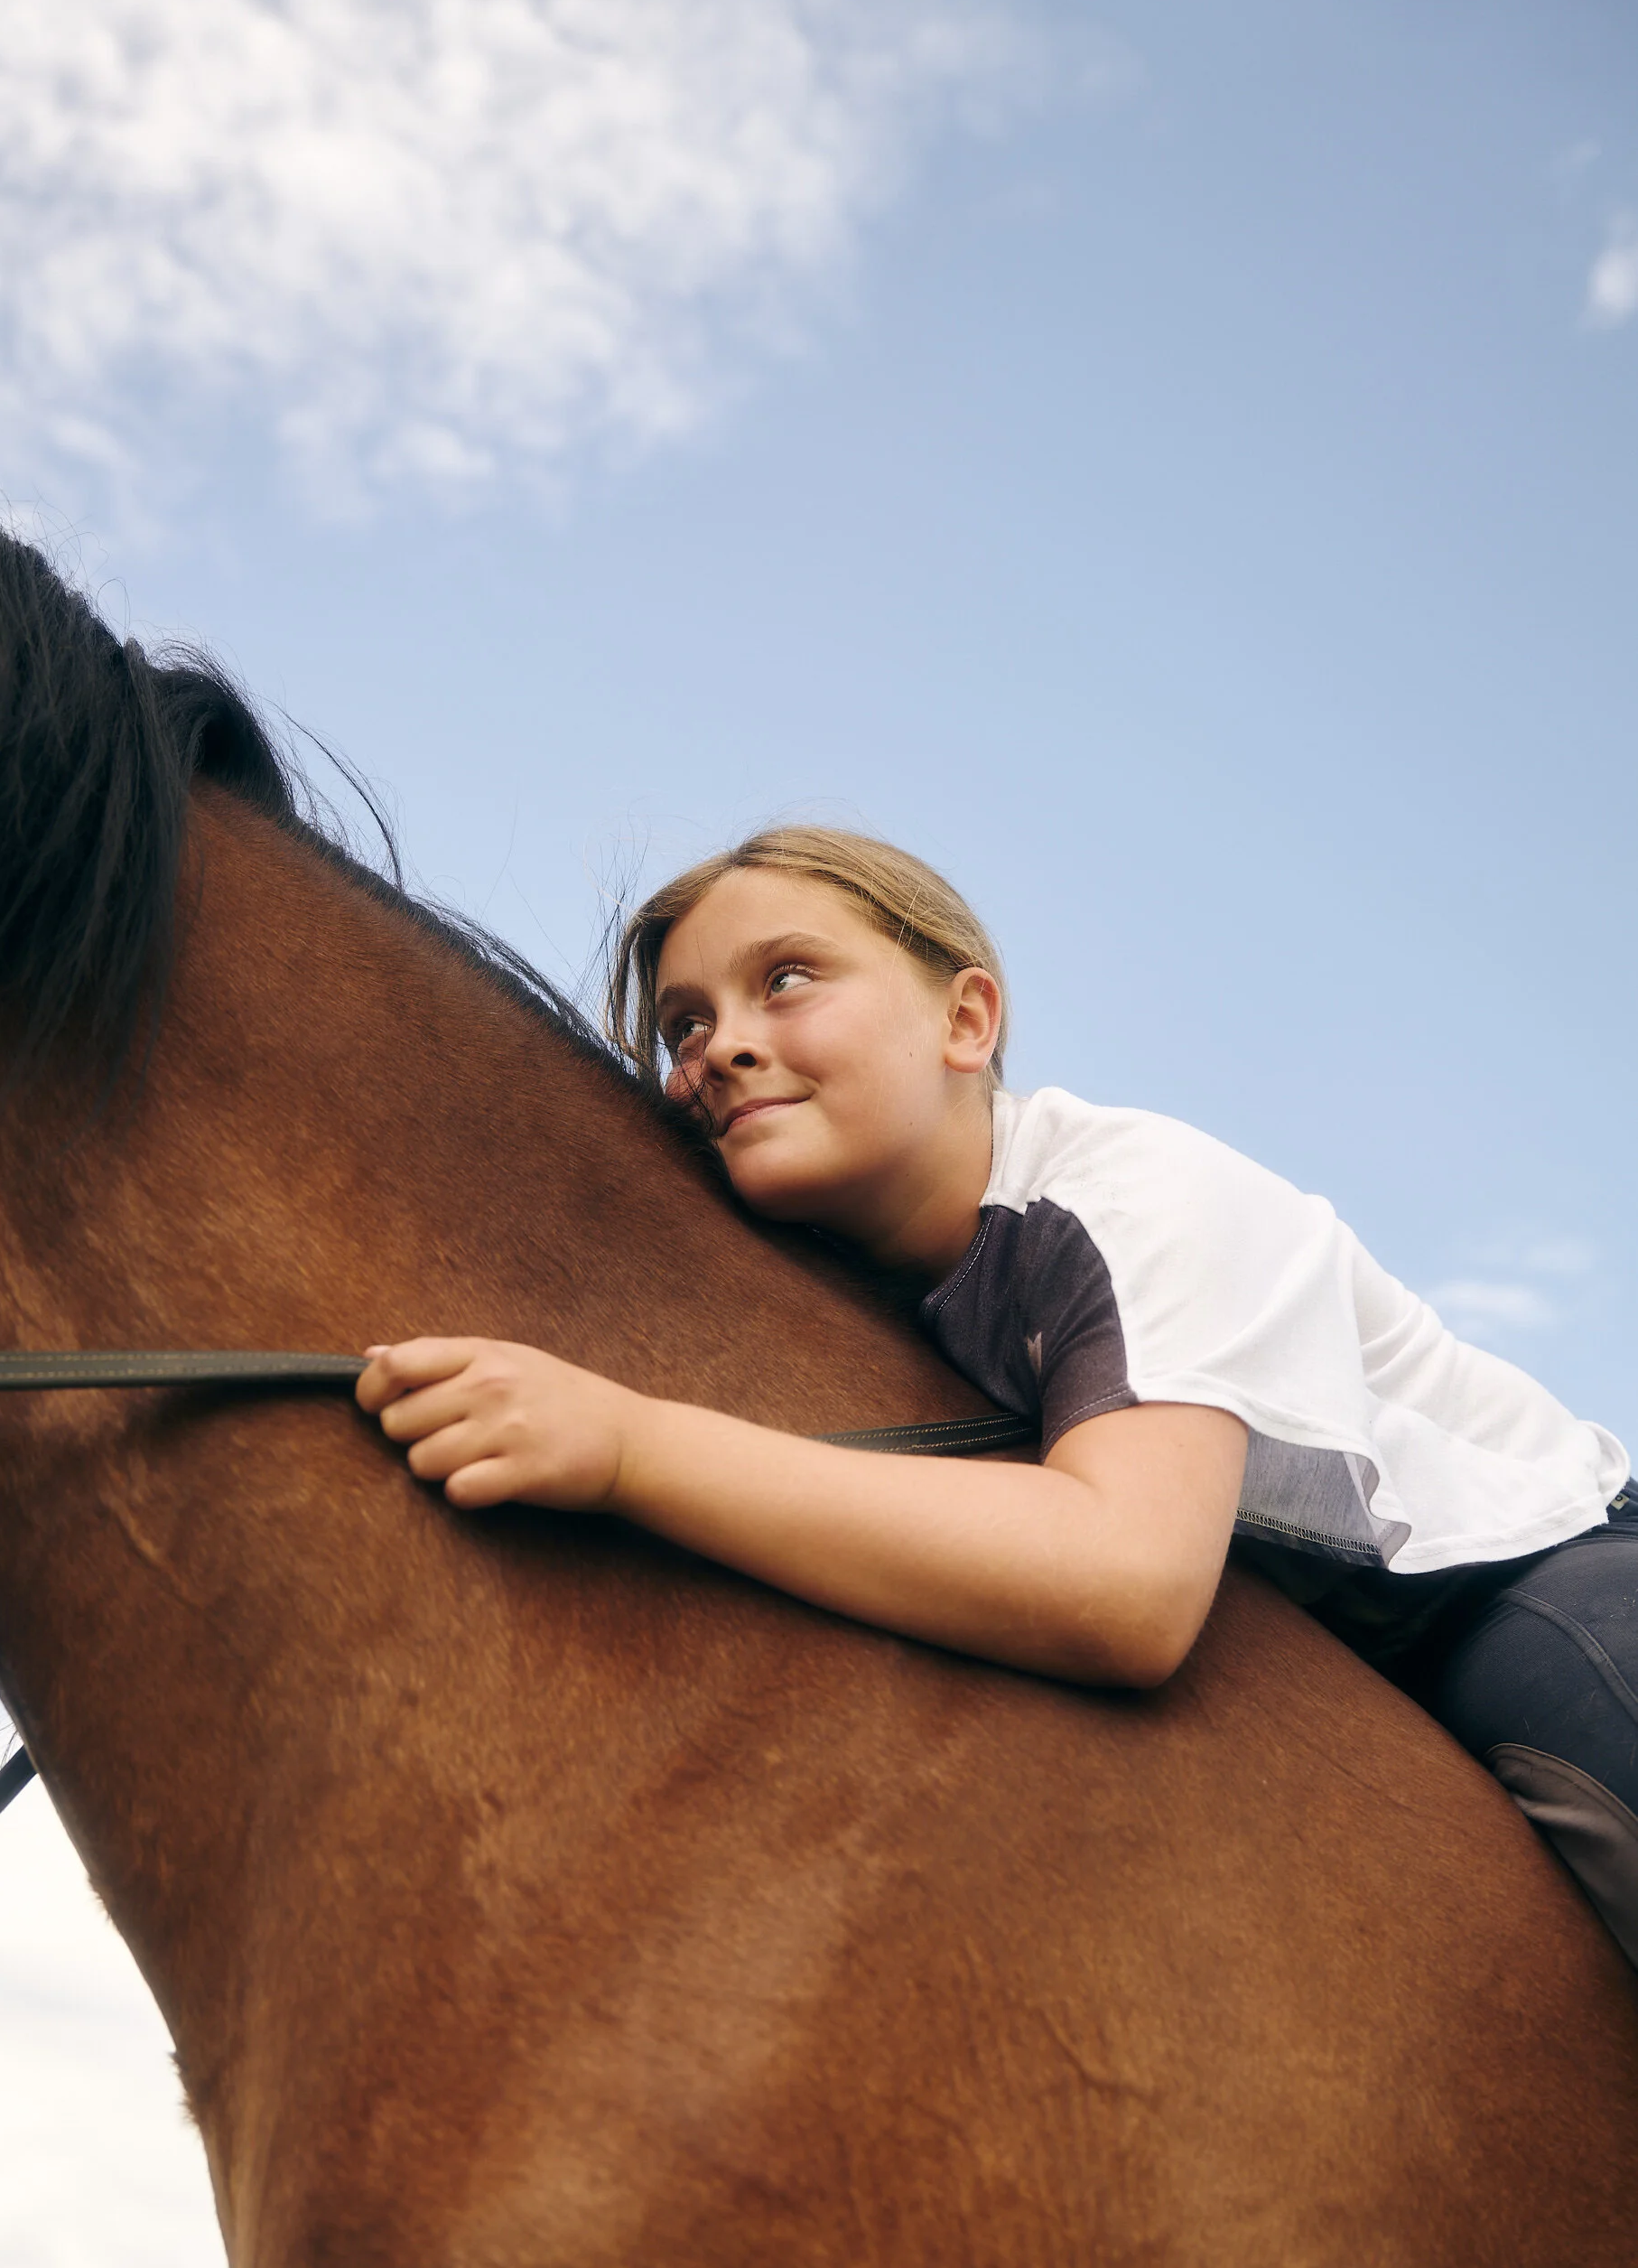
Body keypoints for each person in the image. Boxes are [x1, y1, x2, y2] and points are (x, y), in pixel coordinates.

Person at [357, 826, 1638, 1972]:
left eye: (785, 979)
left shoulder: (1134, 1196)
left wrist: (631, 1450)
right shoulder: (857, 1288)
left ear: (965, 1022)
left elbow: (1123, 1584)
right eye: (684, 1024)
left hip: (1520, 1587)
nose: (720, 1045)